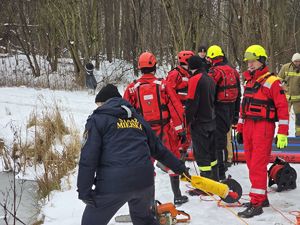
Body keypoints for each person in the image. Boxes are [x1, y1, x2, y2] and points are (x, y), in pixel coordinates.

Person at [77, 84, 190, 225]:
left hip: (113, 184)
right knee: (144, 221)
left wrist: (84, 190)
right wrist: (179, 167)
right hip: (144, 182)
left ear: (104, 102)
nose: (98, 108)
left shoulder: (97, 119)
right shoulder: (138, 119)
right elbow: (159, 149)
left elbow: (88, 157)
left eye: (99, 104)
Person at [123, 52, 188, 205]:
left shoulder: (132, 88)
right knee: (172, 159)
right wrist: (181, 131)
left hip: (143, 133)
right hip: (165, 130)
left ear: (140, 68)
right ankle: (177, 195)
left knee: (146, 165)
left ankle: (148, 202)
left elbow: (125, 112)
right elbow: (176, 108)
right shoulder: (163, 85)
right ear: (154, 66)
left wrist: (129, 135)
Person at [237, 45, 289, 218]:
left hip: (263, 128)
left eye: (253, 61)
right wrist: (240, 128)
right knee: (252, 164)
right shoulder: (249, 81)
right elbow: (243, 109)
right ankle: (261, 197)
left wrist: (282, 132)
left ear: (261, 61)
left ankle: (257, 202)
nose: (250, 65)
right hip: (250, 126)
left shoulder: (273, 81)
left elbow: (282, 107)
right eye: (248, 62)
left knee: (258, 165)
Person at [206, 45, 241, 180]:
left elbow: (208, 93)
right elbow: (239, 94)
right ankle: (221, 170)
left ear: (212, 58)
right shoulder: (234, 71)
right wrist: (236, 115)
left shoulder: (215, 72)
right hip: (230, 110)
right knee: (223, 141)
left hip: (218, 110)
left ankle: (219, 173)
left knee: (216, 143)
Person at [185, 55, 218, 181]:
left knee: (202, 154)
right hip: (211, 120)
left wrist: (186, 121)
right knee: (211, 152)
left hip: (200, 122)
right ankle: (215, 179)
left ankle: (206, 184)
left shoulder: (194, 79)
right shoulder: (209, 79)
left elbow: (191, 103)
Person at [166, 50, 194, 155]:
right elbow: (169, 93)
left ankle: (181, 156)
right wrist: (177, 108)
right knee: (177, 135)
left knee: (188, 135)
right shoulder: (175, 74)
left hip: (188, 108)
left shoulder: (190, 73)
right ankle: (173, 159)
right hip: (178, 111)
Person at [278, 53, 300, 136]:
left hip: (298, 100)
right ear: (292, 61)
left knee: (299, 118)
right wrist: (282, 85)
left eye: (299, 61)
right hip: (286, 98)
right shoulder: (286, 67)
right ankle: (283, 134)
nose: (297, 63)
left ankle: (298, 135)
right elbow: (278, 79)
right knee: (284, 117)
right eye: (296, 61)